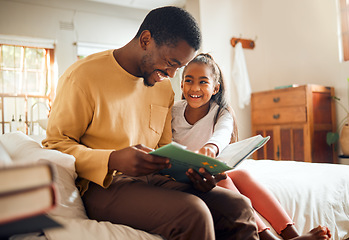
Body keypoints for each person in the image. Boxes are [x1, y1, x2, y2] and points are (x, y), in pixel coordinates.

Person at [43, 6, 260, 240]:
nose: (173, 74)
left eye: (179, 67)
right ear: (146, 40)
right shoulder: (82, 77)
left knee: (238, 206)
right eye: (171, 62)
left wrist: (192, 174)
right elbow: (56, 144)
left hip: (155, 179)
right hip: (103, 185)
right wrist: (113, 159)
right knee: (194, 213)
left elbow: (164, 149)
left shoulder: (163, 86)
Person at [171, 53, 332, 240]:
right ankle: (267, 238)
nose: (195, 88)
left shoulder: (221, 113)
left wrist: (211, 147)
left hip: (209, 170)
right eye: (189, 80)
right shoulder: (174, 111)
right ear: (181, 84)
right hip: (185, 176)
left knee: (242, 175)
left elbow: (222, 135)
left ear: (215, 88)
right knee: (223, 181)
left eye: (203, 82)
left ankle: (292, 234)